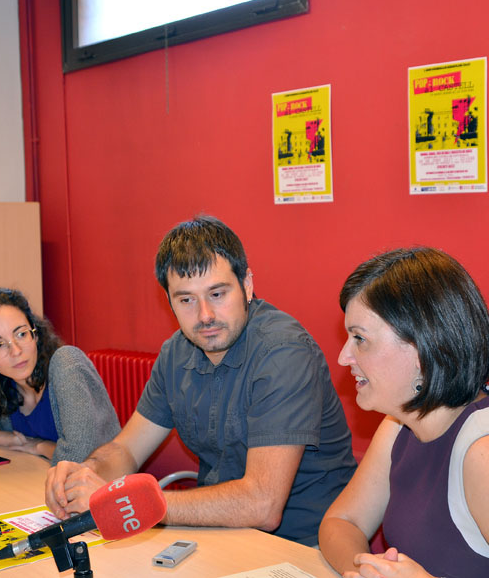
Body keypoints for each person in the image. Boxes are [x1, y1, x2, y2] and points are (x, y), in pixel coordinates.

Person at [45, 215, 357, 545]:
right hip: (220, 535)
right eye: (187, 300)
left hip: (304, 547)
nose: (205, 315)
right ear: (169, 302)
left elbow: (262, 504)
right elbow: (126, 450)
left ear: (247, 285)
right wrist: (84, 475)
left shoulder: (284, 353)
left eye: (217, 294)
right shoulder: (176, 353)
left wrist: (135, 504)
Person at [319, 248, 489, 578]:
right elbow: (342, 522)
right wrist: (362, 571)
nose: (345, 357)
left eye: (360, 339)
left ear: (422, 348)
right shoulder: (401, 424)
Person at [0, 288, 120, 464]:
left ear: (35, 334)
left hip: (109, 487)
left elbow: (79, 461)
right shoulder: (4, 387)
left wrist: (41, 446)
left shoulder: (67, 364)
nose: (16, 351)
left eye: (21, 334)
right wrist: (11, 439)